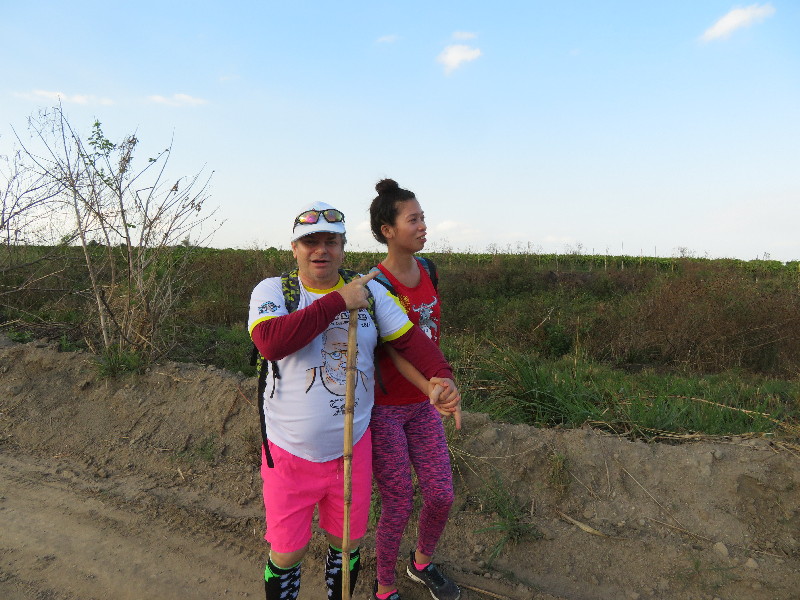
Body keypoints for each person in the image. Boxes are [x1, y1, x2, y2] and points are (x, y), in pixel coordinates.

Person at [248, 201, 460, 600]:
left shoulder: (372, 292)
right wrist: (338, 301)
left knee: (346, 544)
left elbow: (410, 340)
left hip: (351, 449)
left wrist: (442, 375)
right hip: (289, 450)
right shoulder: (274, 290)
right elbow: (271, 342)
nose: (321, 250)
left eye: (331, 241)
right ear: (294, 248)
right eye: (310, 241)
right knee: (288, 552)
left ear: (343, 247)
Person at [368, 179, 462, 600]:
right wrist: (432, 385)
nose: (423, 225)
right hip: (386, 408)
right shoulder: (377, 284)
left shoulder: (428, 270)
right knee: (399, 501)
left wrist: (435, 384)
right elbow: (395, 348)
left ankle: (421, 563)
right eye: (413, 219)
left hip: (424, 404)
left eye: (423, 217)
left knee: (441, 494)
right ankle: (384, 585)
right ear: (388, 230)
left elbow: (430, 334)